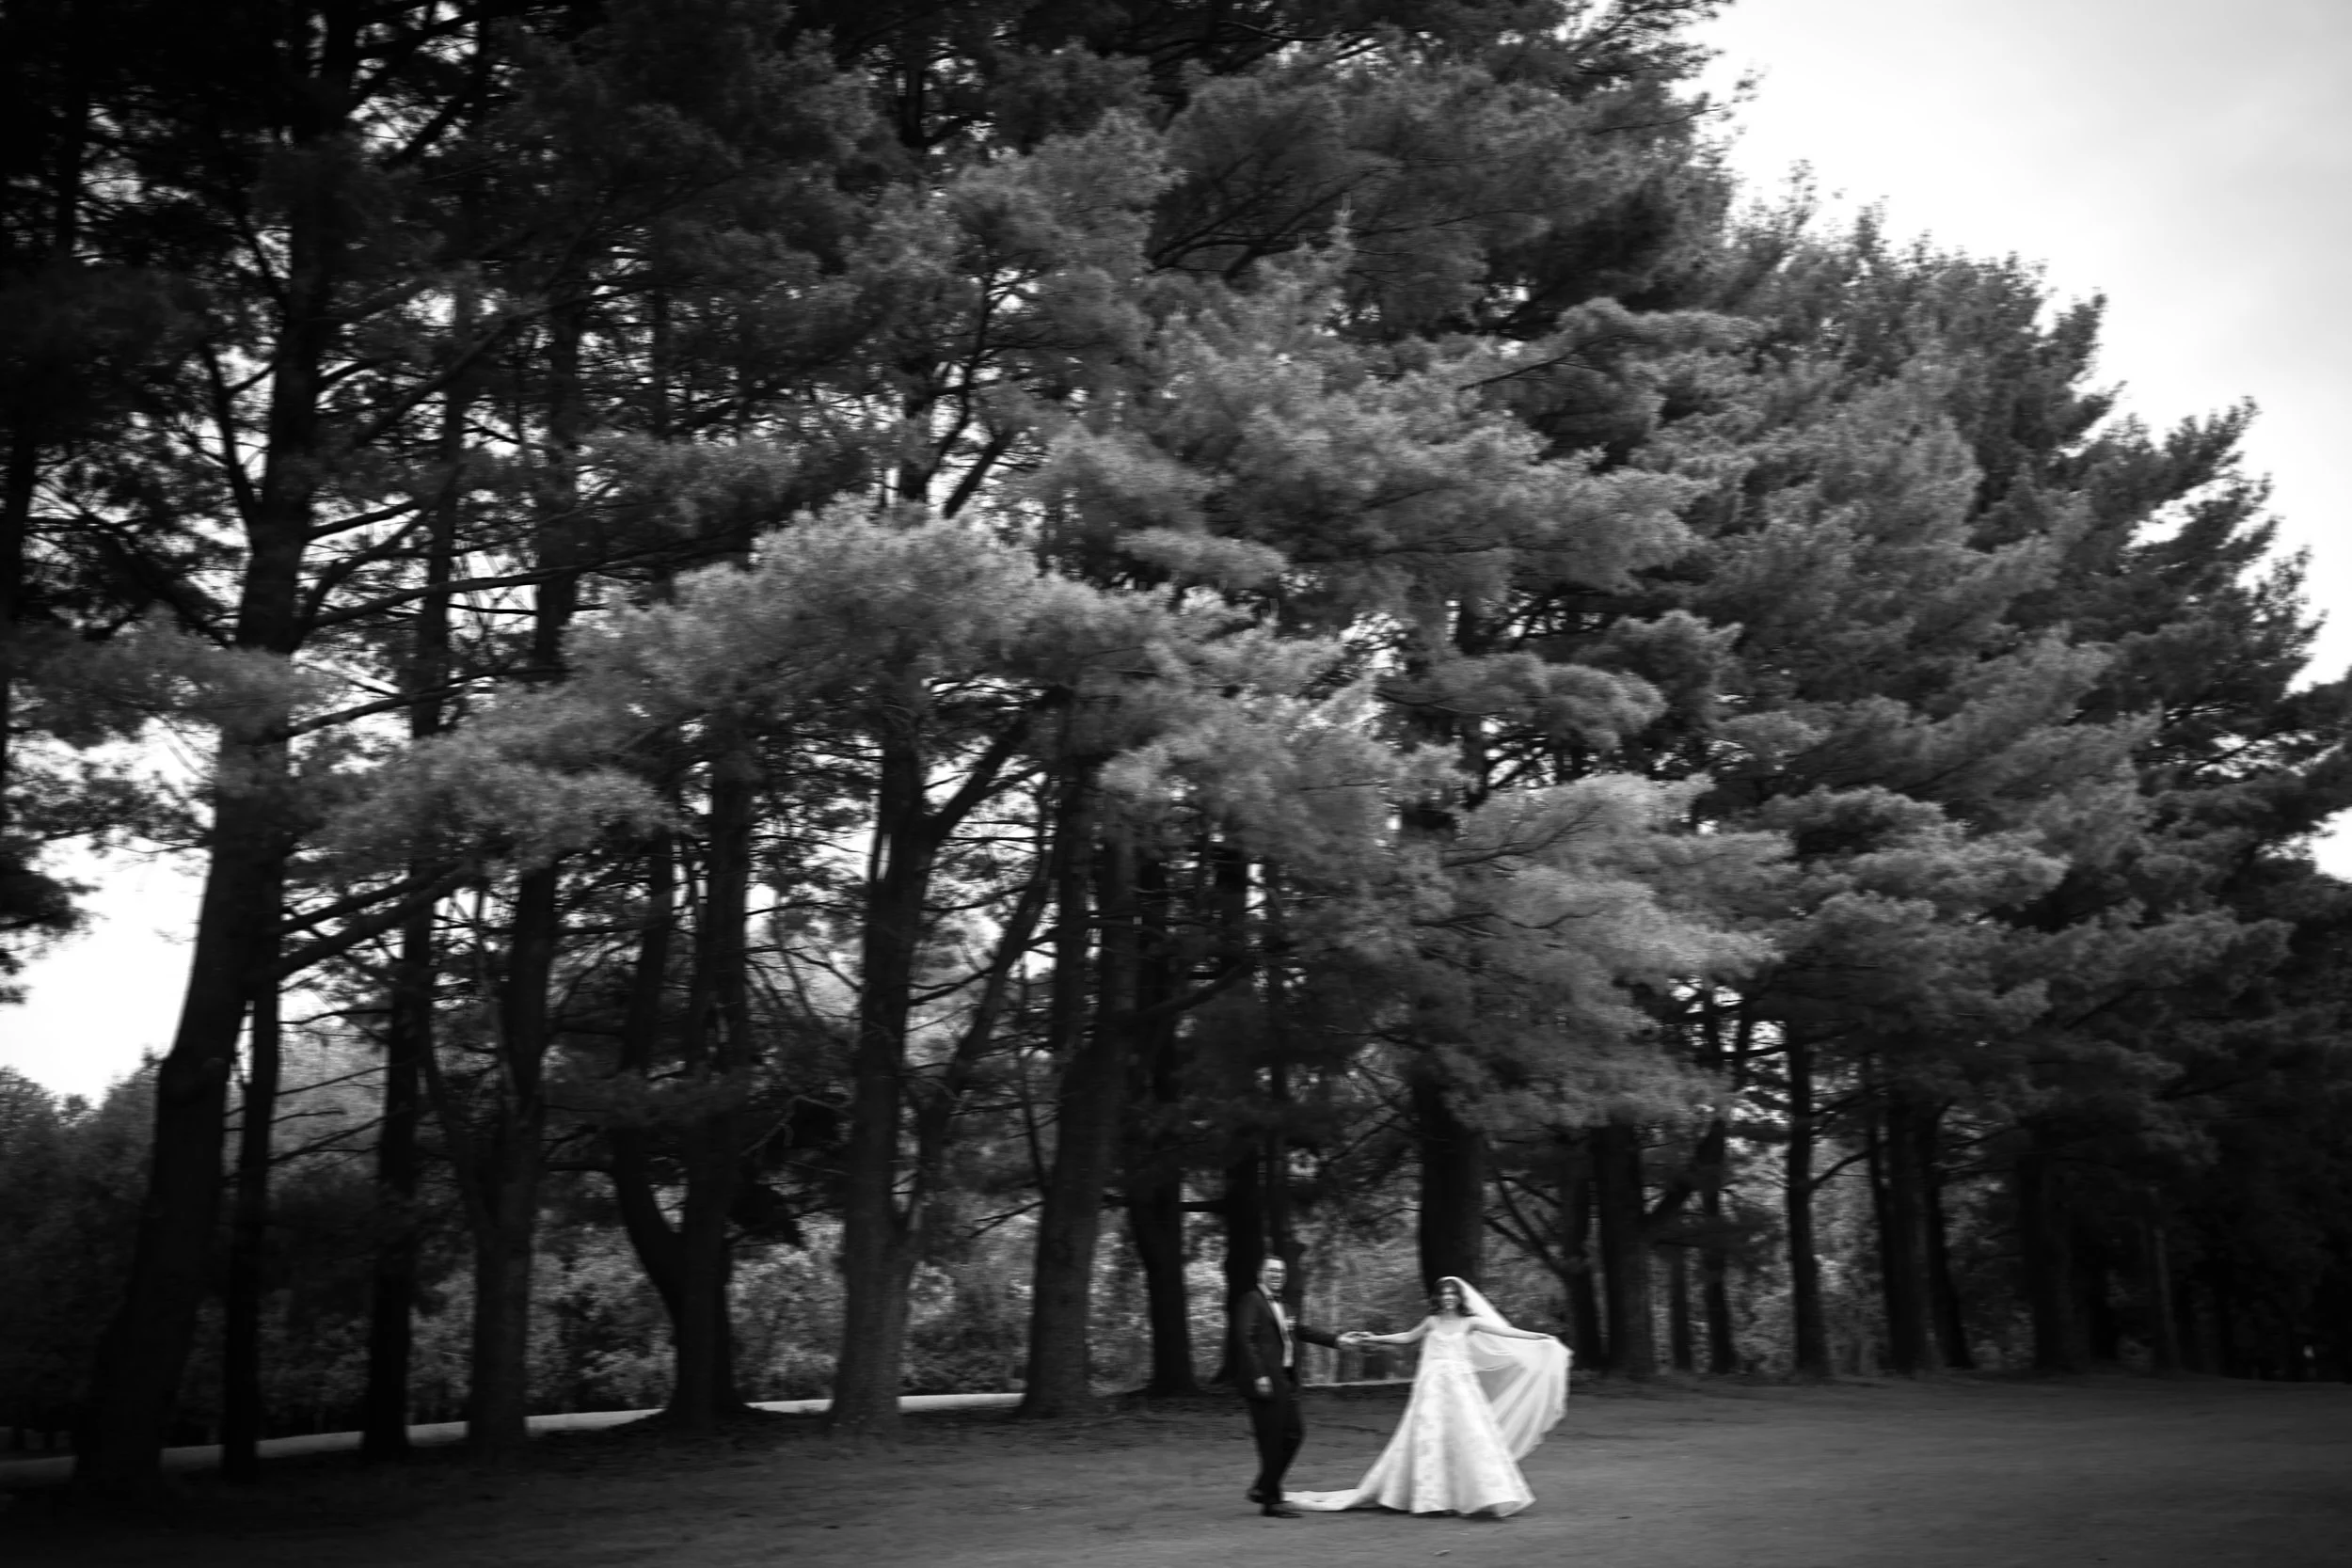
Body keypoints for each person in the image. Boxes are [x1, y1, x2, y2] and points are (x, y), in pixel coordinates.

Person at [1291, 1275, 1570, 1519]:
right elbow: (1406, 1338)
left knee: (1470, 1437)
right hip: (1432, 1389)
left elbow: (1505, 1332)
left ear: (1458, 1298)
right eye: (1444, 1294)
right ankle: (1432, 1498)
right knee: (1430, 1438)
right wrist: (1373, 1338)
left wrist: (1538, 1337)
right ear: (1439, 1298)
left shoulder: (1470, 1322)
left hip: (1461, 1389)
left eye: (1452, 1294)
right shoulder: (1433, 1321)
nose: (1448, 1299)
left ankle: (1479, 1495)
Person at [1232, 1256, 1349, 1518]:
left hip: (1285, 1379)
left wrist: (1338, 1340)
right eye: (1271, 1271)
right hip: (1264, 1381)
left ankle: (1264, 1489)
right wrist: (1259, 1374)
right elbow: (1244, 1337)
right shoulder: (1251, 1300)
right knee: (1274, 1440)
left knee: (1293, 1434)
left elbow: (1302, 1332)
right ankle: (1271, 1500)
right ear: (1260, 1273)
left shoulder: (1285, 1306)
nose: (1277, 1275)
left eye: (1281, 1272)